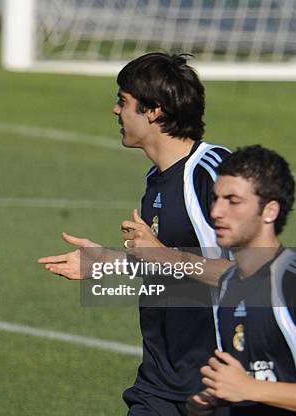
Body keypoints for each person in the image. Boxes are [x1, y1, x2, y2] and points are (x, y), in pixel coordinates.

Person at [38, 52, 231, 415]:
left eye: (123, 101)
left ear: (154, 110)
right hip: (160, 381)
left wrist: (161, 255)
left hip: (217, 385)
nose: (115, 110)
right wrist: (110, 263)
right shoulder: (155, 181)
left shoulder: (212, 172)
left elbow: (251, 277)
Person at [188, 145, 296, 415]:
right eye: (216, 198)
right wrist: (217, 398)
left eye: (233, 200)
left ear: (270, 211)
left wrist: (249, 389)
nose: (216, 211)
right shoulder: (230, 283)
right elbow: (261, 375)